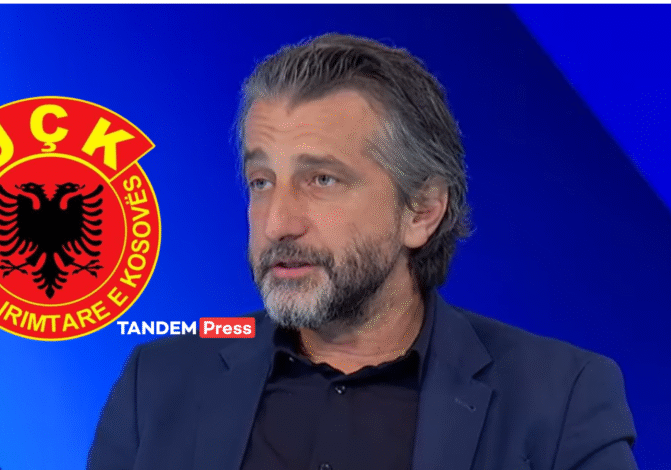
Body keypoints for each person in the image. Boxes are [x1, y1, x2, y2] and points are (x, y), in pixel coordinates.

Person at [88, 33, 637, 470]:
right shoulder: (158, 382)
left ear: (422, 211)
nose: (278, 223)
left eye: (322, 179)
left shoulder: (559, 399)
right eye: (261, 181)